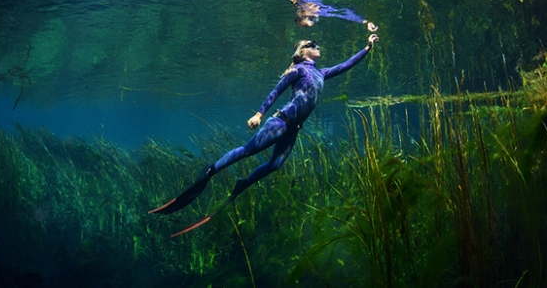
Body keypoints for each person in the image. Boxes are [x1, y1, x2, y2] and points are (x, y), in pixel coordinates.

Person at [149, 27, 379, 223]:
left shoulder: (321, 73)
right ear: (302, 51)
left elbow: (346, 65)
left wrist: (367, 48)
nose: (318, 46)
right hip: (281, 122)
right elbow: (276, 91)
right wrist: (259, 114)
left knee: (275, 165)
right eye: (313, 44)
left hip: (293, 130)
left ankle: (243, 183)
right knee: (249, 150)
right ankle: (210, 171)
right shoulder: (298, 70)